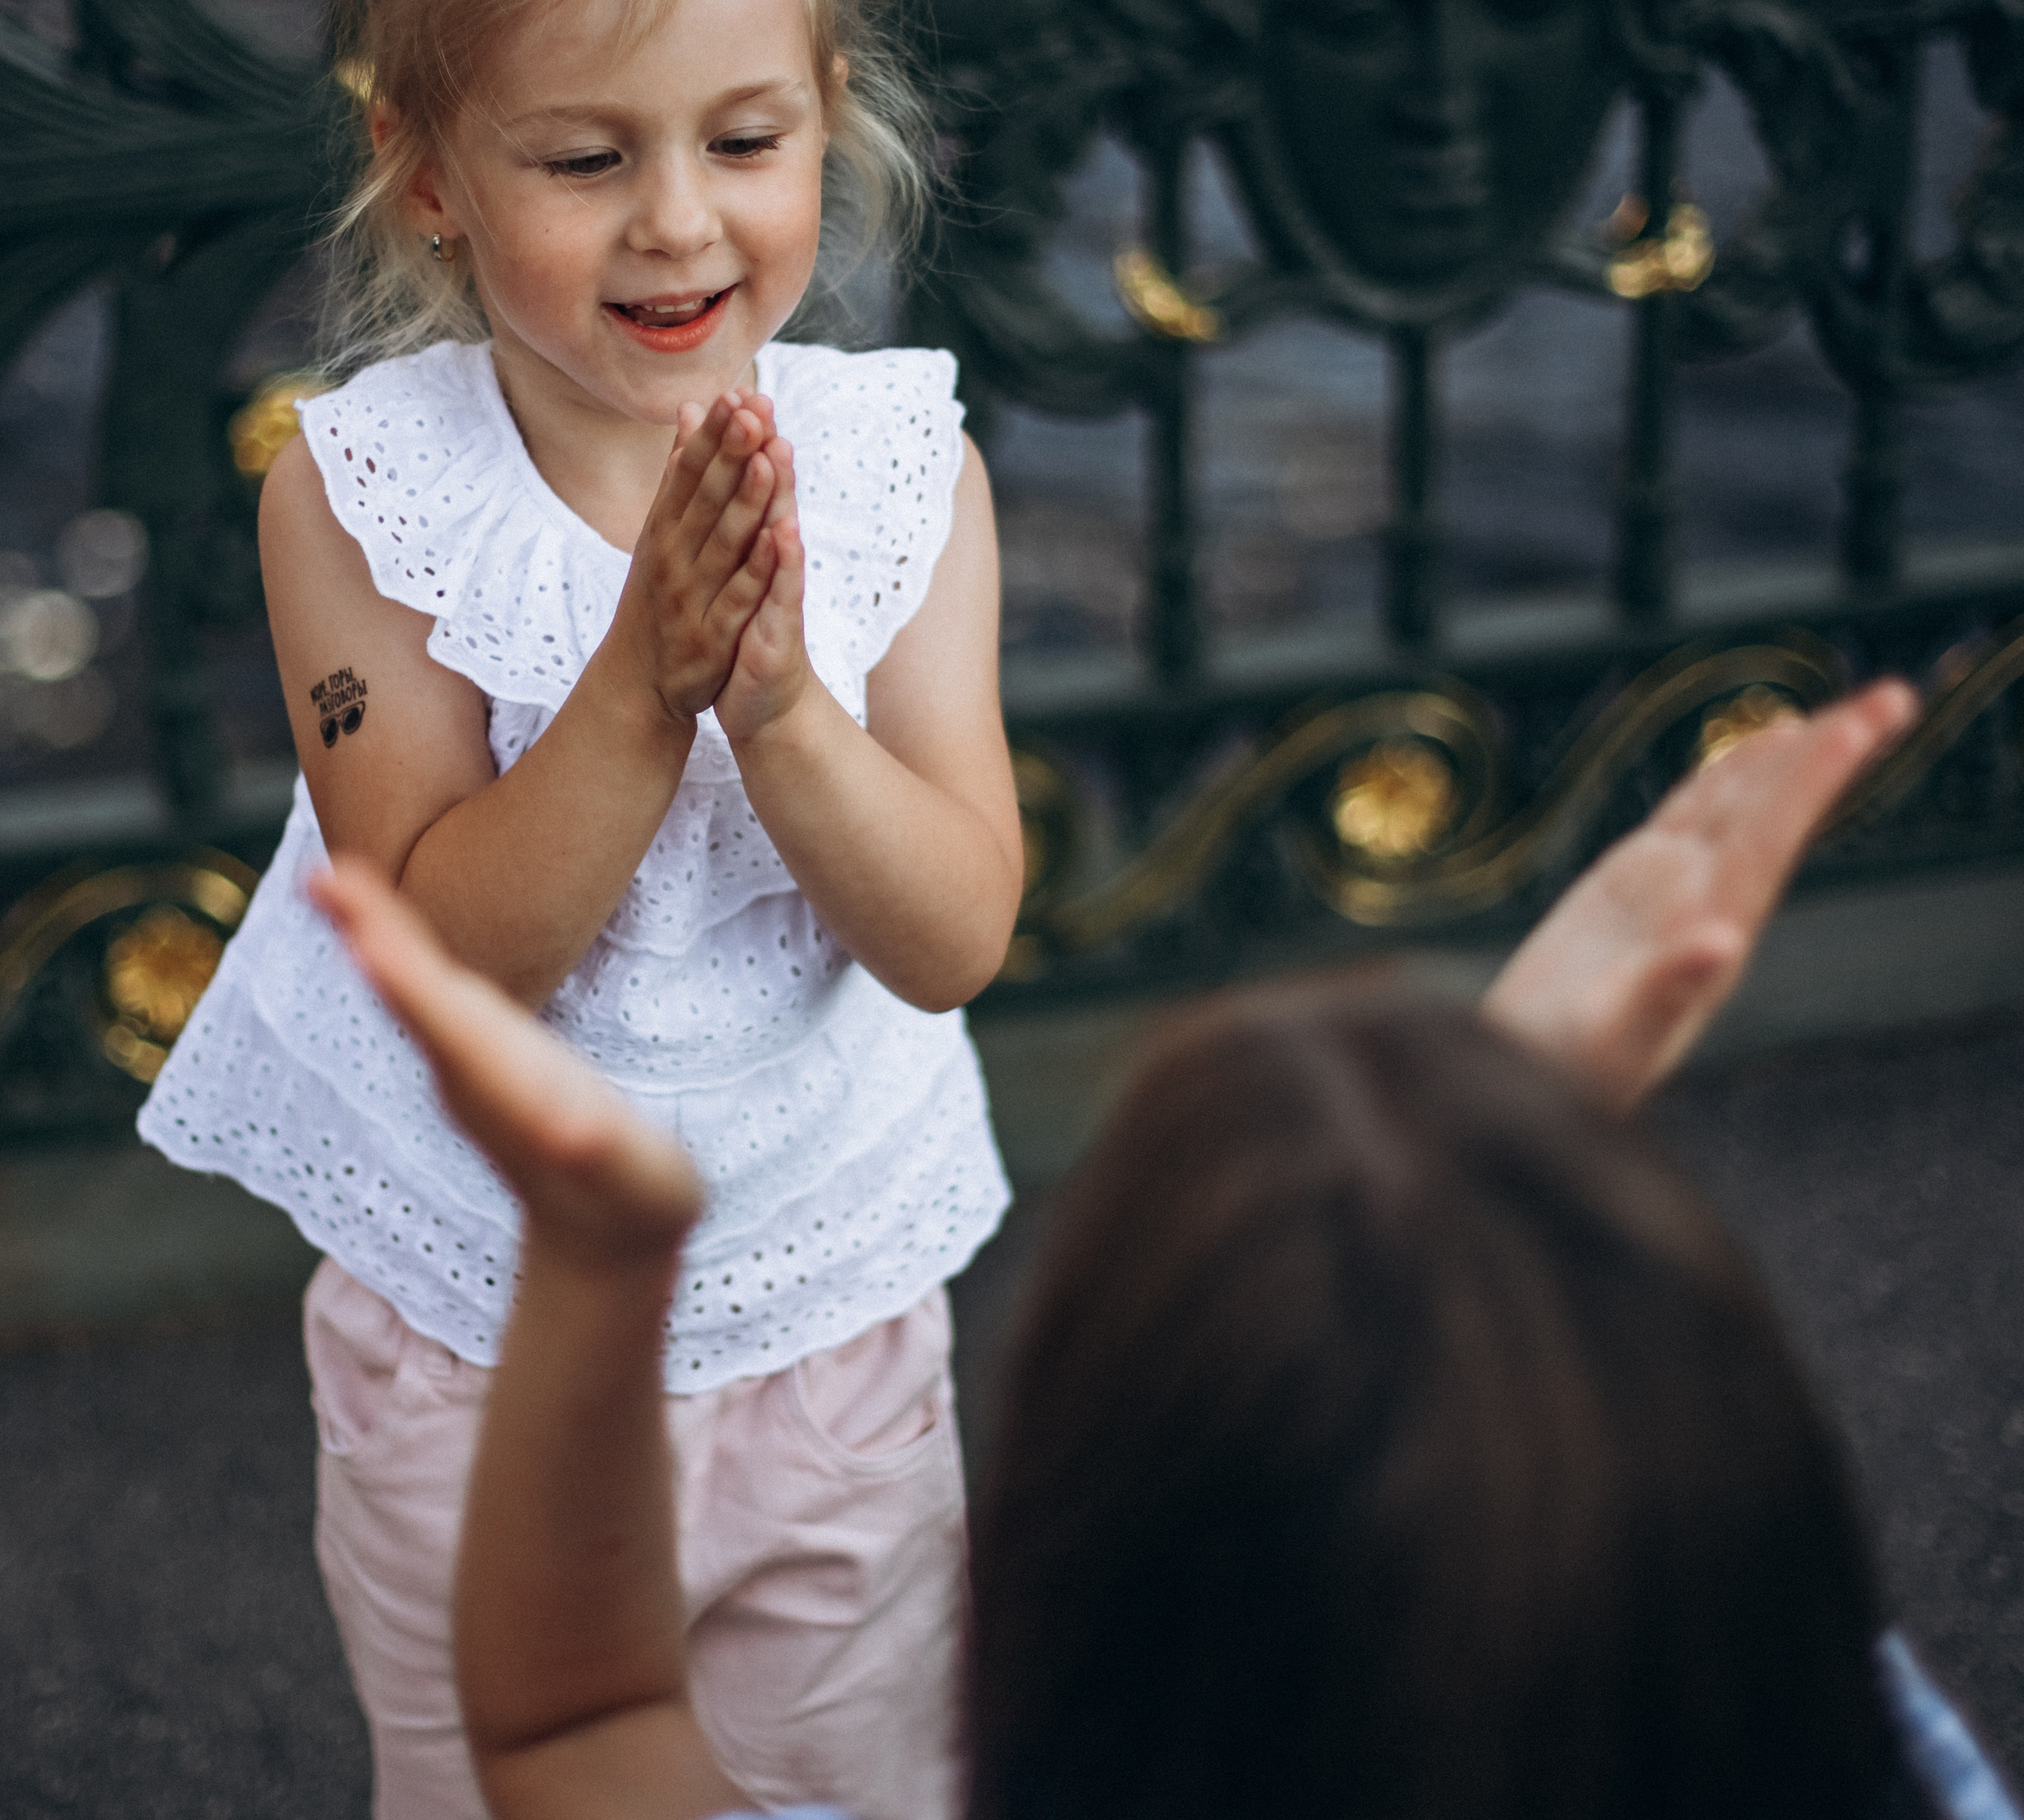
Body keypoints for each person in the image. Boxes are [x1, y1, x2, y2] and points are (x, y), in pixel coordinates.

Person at [315, 678, 2016, 1820]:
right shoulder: (1860, 1750)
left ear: (1074, 1581)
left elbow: (570, 1725)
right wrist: (1523, 1135)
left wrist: (601, 1260)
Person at [134, 0, 1021, 1817]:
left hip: (824, 1318)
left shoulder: (900, 472)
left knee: (860, 1784)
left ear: (828, 116)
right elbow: (461, 952)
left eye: (741, 138)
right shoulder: (355, 503)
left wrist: (781, 702)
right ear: (425, 170)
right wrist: (642, 678)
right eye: (583, 156)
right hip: (484, 1342)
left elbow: (954, 930)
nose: (680, 225)